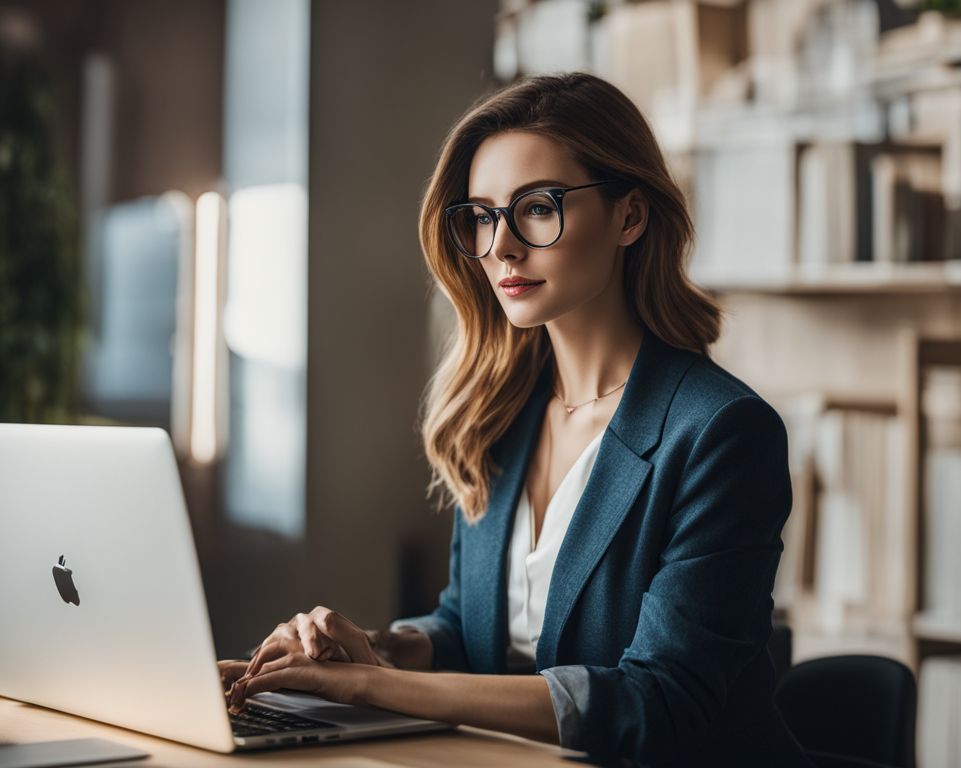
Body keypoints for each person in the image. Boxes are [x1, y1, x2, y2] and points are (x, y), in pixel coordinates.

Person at [217, 72, 812, 767]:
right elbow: (474, 632)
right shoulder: (497, 414)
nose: (501, 246)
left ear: (630, 216)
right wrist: (368, 648)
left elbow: (659, 706)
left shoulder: (722, 432)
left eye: (537, 208)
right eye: (482, 215)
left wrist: (379, 687)